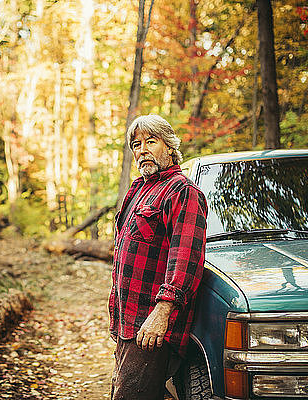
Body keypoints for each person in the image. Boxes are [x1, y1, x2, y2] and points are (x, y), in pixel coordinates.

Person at [109, 114, 208, 400]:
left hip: (151, 325)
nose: (142, 150)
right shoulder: (138, 189)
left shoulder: (183, 192)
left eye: (151, 141)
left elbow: (185, 258)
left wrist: (161, 313)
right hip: (128, 322)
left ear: (170, 146)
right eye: (137, 144)